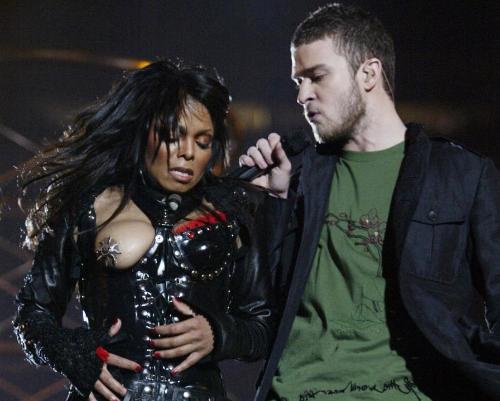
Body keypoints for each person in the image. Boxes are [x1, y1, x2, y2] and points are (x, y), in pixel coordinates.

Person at [240, 3, 500, 401]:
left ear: (368, 73)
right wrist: (269, 205)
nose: (303, 95)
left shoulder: (461, 175)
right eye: (298, 82)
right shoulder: (294, 175)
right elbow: (255, 311)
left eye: (317, 77)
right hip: (297, 393)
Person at [13, 60, 276, 401]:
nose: (188, 153)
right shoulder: (88, 205)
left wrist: (218, 334)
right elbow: (32, 314)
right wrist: (74, 355)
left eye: (203, 142)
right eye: (173, 137)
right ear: (143, 132)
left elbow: (263, 326)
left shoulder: (233, 213)